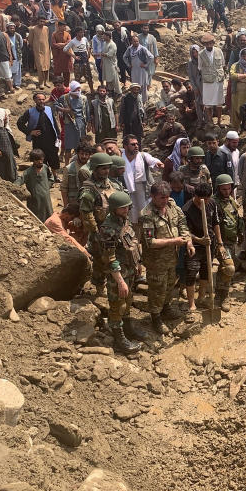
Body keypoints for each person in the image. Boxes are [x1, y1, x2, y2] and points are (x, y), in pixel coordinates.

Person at [91, 191, 144, 354]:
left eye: (127, 207)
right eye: (122, 208)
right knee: (117, 305)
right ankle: (119, 338)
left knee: (128, 301)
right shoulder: (108, 229)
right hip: (117, 274)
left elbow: (131, 243)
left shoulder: (124, 220)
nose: (126, 211)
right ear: (114, 209)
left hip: (129, 270)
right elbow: (110, 258)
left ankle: (128, 328)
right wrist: (119, 281)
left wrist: (137, 263)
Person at [139, 181, 194, 333]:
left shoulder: (171, 206)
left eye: (167, 197)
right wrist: (174, 241)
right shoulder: (146, 215)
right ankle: (156, 317)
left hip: (172, 258)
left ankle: (166, 308)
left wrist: (188, 241)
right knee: (157, 289)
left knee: (170, 284)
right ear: (152, 196)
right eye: (161, 198)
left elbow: (182, 224)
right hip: (156, 261)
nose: (165, 201)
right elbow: (150, 242)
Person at [181, 182, 232, 316]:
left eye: (206, 198)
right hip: (194, 246)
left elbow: (216, 223)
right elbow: (185, 232)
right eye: (200, 199)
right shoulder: (186, 209)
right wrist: (199, 240)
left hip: (210, 244)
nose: (203, 201)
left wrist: (220, 243)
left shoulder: (212, 204)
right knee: (192, 273)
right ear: (196, 196)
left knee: (206, 270)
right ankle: (191, 303)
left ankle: (202, 297)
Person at [80, 152, 121, 294]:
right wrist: (96, 233)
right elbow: (87, 213)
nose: (106, 171)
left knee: (116, 257)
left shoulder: (112, 184)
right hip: (100, 231)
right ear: (95, 169)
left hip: (115, 228)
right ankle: (100, 287)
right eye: (103, 169)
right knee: (100, 261)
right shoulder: (89, 189)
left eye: (108, 168)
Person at [121, 134, 164, 224]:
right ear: (125, 146)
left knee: (146, 214)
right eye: (133, 144)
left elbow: (152, 160)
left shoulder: (143, 156)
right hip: (128, 191)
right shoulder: (121, 157)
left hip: (143, 191)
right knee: (132, 215)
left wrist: (158, 163)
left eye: (137, 144)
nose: (136, 146)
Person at [17, 92, 61, 175]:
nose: (41, 101)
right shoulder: (29, 112)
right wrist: (30, 132)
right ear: (35, 100)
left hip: (51, 138)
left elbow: (54, 123)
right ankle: (44, 176)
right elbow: (20, 123)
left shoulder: (49, 109)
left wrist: (58, 135)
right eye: (39, 99)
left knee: (53, 157)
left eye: (43, 99)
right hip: (38, 140)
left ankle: (55, 175)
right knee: (40, 158)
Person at [213, 173, 243, 288]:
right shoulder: (213, 203)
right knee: (229, 267)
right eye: (223, 189)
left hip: (231, 240)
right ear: (218, 189)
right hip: (219, 243)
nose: (227, 191)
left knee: (230, 265)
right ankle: (222, 294)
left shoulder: (231, 201)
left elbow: (237, 219)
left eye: (229, 188)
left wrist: (240, 234)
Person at [17, 149, 56, 222]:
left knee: (49, 217)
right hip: (35, 202)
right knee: (36, 219)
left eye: (41, 159)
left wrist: (47, 186)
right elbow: (20, 181)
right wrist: (10, 186)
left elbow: (51, 177)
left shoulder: (45, 167)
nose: (40, 162)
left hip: (46, 200)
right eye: (37, 160)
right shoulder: (28, 172)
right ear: (33, 160)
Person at [56, 81, 87, 163]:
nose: (78, 91)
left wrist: (89, 123)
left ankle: (79, 164)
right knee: (68, 147)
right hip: (69, 124)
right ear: (72, 89)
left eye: (79, 89)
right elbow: (56, 105)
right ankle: (66, 166)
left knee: (81, 146)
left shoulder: (83, 98)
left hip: (81, 124)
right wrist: (64, 110)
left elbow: (86, 111)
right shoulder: (64, 98)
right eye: (77, 89)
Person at [198, 33, 225, 125]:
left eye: (210, 43)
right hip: (208, 82)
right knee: (208, 103)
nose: (209, 45)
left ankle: (219, 120)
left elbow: (223, 64)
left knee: (219, 102)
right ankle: (210, 121)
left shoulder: (219, 51)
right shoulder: (201, 54)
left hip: (218, 80)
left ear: (213, 43)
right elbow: (200, 67)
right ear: (204, 44)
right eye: (207, 44)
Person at [229, 47, 246, 129]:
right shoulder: (235, 65)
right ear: (240, 56)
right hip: (237, 93)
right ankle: (235, 128)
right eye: (243, 56)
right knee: (236, 110)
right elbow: (232, 75)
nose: (245, 58)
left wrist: (240, 79)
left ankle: (245, 124)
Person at [61, 142, 95, 206]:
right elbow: (64, 188)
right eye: (82, 154)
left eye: (86, 154)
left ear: (90, 155)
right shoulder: (69, 169)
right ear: (78, 154)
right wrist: (66, 205)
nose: (84, 156)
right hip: (74, 202)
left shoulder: (93, 167)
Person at [123, 32, 154, 101]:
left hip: (142, 70)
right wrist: (128, 64)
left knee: (143, 86)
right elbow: (124, 57)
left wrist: (145, 65)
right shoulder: (130, 49)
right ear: (131, 42)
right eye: (134, 41)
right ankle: (136, 100)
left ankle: (144, 101)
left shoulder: (142, 49)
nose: (136, 42)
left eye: (137, 41)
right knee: (135, 86)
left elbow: (151, 57)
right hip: (134, 70)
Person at [65, 26, 94, 92]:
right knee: (77, 78)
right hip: (78, 62)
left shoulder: (85, 39)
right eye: (80, 32)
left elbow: (88, 46)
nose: (82, 34)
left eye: (83, 32)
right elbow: (65, 49)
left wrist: (88, 54)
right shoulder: (73, 41)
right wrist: (74, 56)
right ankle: (77, 92)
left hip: (85, 61)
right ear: (77, 33)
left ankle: (92, 90)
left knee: (89, 77)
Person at [27, 18, 51, 85]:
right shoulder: (33, 29)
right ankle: (41, 82)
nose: (42, 23)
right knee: (40, 66)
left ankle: (46, 81)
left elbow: (47, 37)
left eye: (43, 21)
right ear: (37, 21)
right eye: (41, 21)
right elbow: (30, 40)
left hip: (46, 49)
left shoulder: (46, 28)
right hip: (38, 50)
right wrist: (34, 47)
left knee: (46, 66)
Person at [139, 26, 159, 105]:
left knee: (150, 72)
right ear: (142, 29)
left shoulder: (152, 38)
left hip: (150, 58)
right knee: (143, 72)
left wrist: (156, 58)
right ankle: (143, 87)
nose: (145, 30)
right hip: (142, 58)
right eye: (144, 28)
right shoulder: (138, 37)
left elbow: (155, 48)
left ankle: (148, 87)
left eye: (147, 28)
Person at [98, 28, 121, 97]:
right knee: (108, 79)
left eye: (104, 36)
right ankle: (110, 91)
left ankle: (118, 92)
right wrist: (101, 62)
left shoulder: (112, 44)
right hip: (105, 64)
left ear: (108, 36)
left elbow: (110, 54)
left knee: (114, 79)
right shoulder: (105, 43)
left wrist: (100, 54)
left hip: (111, 64)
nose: (103, 37)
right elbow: (102, 52)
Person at [6, 22, 24, 89]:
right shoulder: (5, 35)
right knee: (9, 70)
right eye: (10, 28)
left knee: (17, 70)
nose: (12, 29)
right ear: (7, 29)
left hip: (16, 55)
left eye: (13, 28)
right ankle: (10, 85)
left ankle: (17, 84)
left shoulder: (18, 36)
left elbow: (21, 45)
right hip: (8, 56)